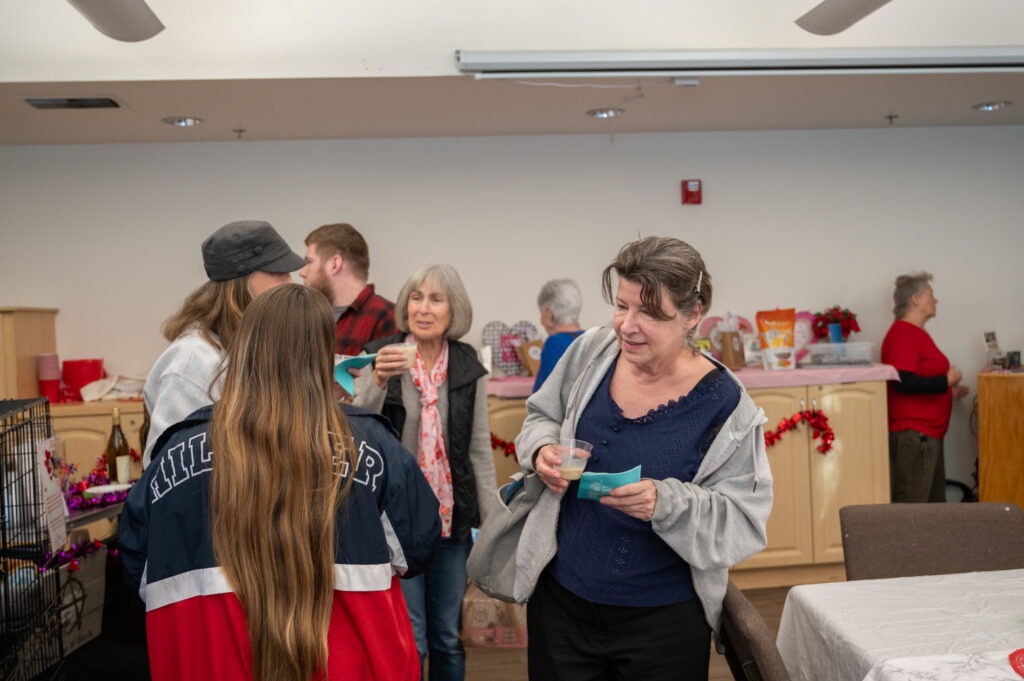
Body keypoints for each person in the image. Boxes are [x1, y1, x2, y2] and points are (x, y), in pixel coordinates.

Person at [120, 284, 441, 681]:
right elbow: (418, 547)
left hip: (215, 662)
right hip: (349, 663)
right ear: (324, 353)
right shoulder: (373, 447)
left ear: (244, 349)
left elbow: (138, 565)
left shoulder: (174, 454)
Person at [514, 236, 773, 681]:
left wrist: (665, 503)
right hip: (561, 604)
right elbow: (541, 416)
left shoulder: (726, 404)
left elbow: (743, 520)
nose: (626, 326)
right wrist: (541, 450)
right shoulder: (590, 353)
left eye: (650, 313)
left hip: (665, 623)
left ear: (693, 315)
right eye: (621, 305)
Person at [354, 263, 497, 681]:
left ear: (455, 309)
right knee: (411, 636)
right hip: (396, 521)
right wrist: (378, 379)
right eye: (416, 297)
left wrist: (491, 526)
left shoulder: (468, 366)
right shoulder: (385, 354)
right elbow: (359, 426)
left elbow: (479, 452)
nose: (423, 308)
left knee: (448, 637)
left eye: (436, 298)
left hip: (451, 523)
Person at [141, 220, 304, 467]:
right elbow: (170, 468)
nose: (290, 281)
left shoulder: (248, 348)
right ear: (240, 282)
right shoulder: (190, 362)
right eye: (277, 273)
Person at [881, 271, 969, 503]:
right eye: (931, 294)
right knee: (914, 510)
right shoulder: (903, 333)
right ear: (915, 299)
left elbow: (918, 378)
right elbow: (905, 382)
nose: (935, 300)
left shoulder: (916, 334)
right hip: (916, 437)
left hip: (925, 437)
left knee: (930, 513)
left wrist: (949, 391)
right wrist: (945, 382)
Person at [300, 222, 397, 356]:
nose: (302, 272)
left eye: (309, 262)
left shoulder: (388, 317)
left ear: (335, 264)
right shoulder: (309, 318)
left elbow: (389, 375)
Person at [533, 278, 584, 392]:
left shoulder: (554, 344)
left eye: (541, 313)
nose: (541, 321)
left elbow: (546, 397)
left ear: (549, 314)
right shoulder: (592, 338)